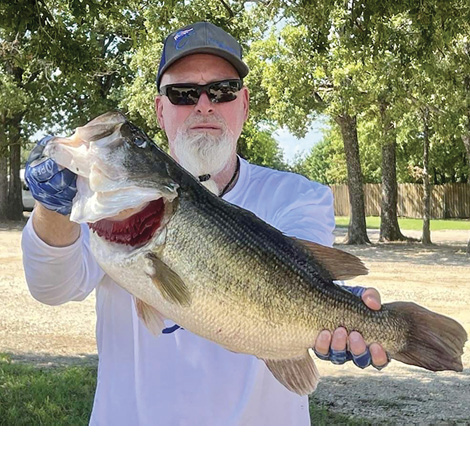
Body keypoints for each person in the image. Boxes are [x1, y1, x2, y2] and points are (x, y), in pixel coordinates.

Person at [22, 21, 389, 426]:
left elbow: (299, 277)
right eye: (182, 93)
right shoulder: (107, 207)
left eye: (222, 90)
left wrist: (347, 318)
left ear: (244, 104)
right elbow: (52, 288)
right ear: (160, 110)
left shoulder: (299, 195)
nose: (203, 105)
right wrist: (52, 206)